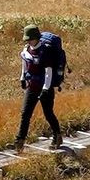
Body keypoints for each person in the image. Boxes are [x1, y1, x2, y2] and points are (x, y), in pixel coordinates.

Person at [14, 21, 69, 152]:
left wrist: (45, 89)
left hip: (45, 88)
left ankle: (57, 136)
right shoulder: (27, 49)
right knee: (25, 113)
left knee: (48, 113)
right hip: (32, 86)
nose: (28, 42)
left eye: (30, 39)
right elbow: (25, 64)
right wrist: (22, 78)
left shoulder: (45, 51)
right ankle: (19, 141)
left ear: (36, 38)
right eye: (27, 40)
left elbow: (48, 72)